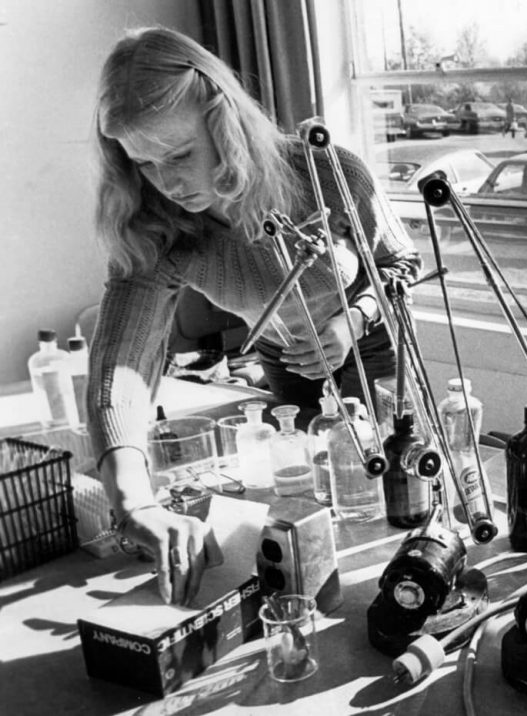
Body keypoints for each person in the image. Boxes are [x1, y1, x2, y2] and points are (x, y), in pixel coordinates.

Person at [88, 27, 422, 605]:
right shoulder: (158, 224)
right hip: (279, 352)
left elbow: (402, 265)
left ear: (224, 123)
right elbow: (122, 360)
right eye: (144, 163)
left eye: (179, 155)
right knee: (305, 480)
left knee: (386, 481)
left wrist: (349, 325)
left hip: (367, 343)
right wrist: (134, 500)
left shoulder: (325, 173)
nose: (166, 183)